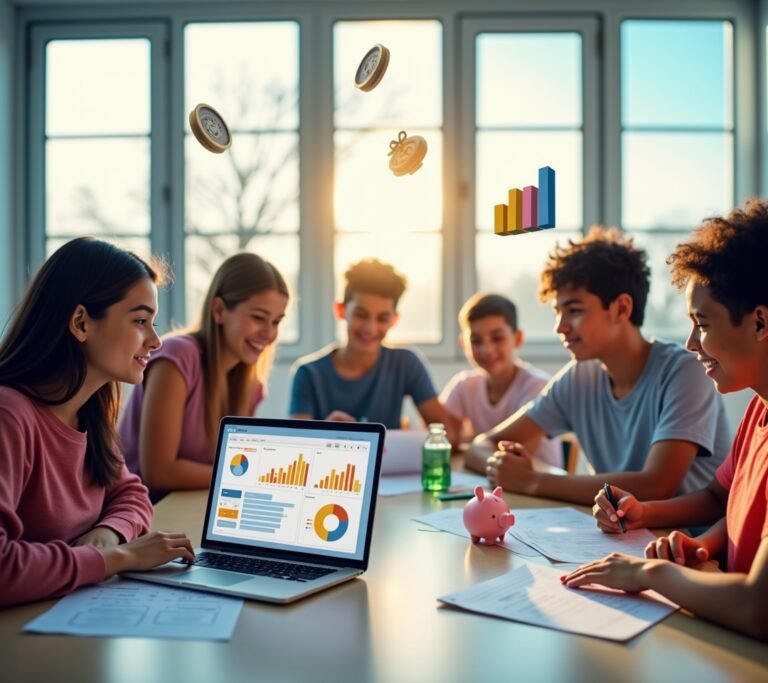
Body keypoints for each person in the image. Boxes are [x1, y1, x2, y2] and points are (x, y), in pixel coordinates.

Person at [563, 201, 768, 641]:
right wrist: (674, 529)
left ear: (760, 322)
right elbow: (720, 498)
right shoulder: (759, 410)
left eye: (703, 324)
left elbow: (758, 608)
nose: (692, 342)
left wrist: (649, 573)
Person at [466, 227, 731, 505]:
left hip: (687, 532)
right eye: (558, 312)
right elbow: (481, 445)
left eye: (574, 310)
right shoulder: (579, 377)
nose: (560, 327)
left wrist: (531, 480)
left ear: (621, 309)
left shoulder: (685, 371)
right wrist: (503, 467)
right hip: (615, 528)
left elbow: (657, 485)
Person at [0, 237, 194, 607]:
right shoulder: (10, 416)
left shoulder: (89, 412)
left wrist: (109, 533)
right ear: (81, 323)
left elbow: (131, 493)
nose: (155, 341)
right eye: (140, 321)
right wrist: (116, 558)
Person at [119, 252, 288, 499]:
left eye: (276, 322)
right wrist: (247, 477)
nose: (269, 334)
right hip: (145, 508)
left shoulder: (251, 385)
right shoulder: (177, 355)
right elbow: (158, 472)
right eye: (258, 318)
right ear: (218, 310)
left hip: (194, 503)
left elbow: (237, 462)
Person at [289, 258, 457, 439]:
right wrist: (325, 433)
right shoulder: (308, 373)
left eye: (382, 318)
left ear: (394, 320)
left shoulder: (405, 363)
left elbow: (447, 434)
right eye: (361, 315)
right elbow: (296, 443)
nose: (370, 328)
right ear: (340, 310)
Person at [440, 292, 561, 467]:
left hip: (538, 482)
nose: (487, 350)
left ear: (517, 338)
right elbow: (440, 439)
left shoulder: (538, 387)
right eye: (476, 341)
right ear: (464, 344)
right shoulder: (464, 385)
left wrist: (472, 449)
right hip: (488, 478)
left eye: (497, 338)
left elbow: (516, 460)